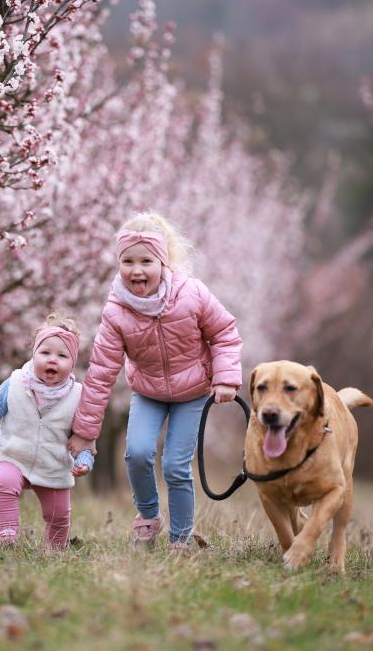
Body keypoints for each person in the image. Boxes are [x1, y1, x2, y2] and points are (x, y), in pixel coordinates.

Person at [69, 211, 243, 549]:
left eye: (146, 260)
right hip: (148, 391)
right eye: (128, 261)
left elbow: (224, 332)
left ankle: (181, 539)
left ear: (163, 261)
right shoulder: (116, 310)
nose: (137, 270)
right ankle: (147, 518)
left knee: (176, 465)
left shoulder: (191, 293)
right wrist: (84, 433)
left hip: (192, 392)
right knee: (136, 453)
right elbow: (101, 372)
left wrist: (225, 378)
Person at [0, 315, 94, 549]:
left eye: (62, 356)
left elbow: (85, 434)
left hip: (52, 465)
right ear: (34, 354)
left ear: (72, 363)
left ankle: (54, 549)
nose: (53, 360)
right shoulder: (16, 383)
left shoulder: (77, 396)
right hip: (13, 454)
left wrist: (84, 460)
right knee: (5, 481)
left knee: (59, 515)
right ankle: (8, 536)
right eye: (45, 353)